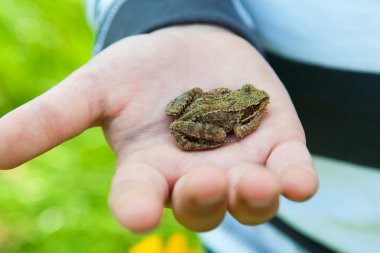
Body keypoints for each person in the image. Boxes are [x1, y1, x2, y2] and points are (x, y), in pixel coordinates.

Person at [1, 0, 379, 252]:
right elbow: (235, 131)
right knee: (219, 135)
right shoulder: (245, 116)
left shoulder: (248, 104)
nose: (261, 105)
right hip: (261, 240)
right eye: (256, 103)